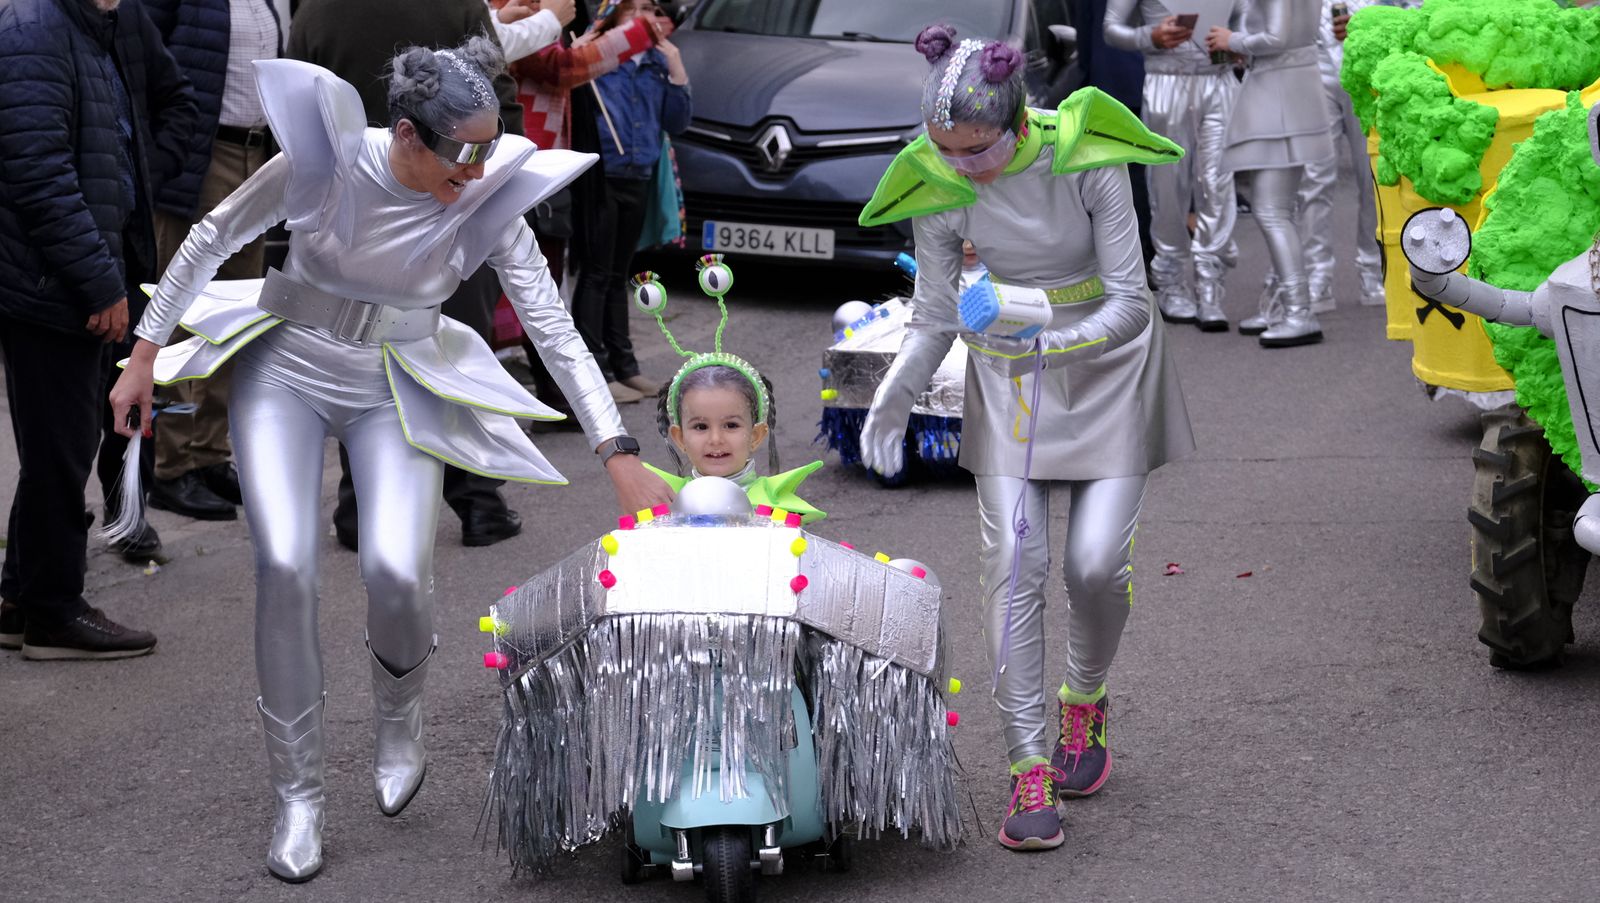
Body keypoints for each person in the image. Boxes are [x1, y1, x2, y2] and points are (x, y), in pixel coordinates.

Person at [108, 41, 671, 881]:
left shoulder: (483, 196)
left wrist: (616, 451)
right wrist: (146, 352)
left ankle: (399, 714)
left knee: (399, 571)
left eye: (490, 151)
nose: (479, 172)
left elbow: (553, 327)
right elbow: (214, 232)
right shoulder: (327, 163)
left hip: (399, 381)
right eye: (463, 155)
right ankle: (299, 796)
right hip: (287, 370)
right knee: (287, 564)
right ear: (406, 133)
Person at [856, 26, 1194, 851]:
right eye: (945, 150)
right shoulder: (936, 175)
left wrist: (1054, 342)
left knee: (1093, 567)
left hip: (1108, 364)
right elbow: (936, 316)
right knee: (1015, 564)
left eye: (975, 151)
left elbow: (1131, 300)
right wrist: (893, 398)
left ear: (1015, 123)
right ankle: (1027, 762)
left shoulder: (1084, 152)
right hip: (1009, 377)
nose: (959, 168)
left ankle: (1086, 699)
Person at [289, 0, 535, 550]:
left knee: (365, 354)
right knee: (453, 354)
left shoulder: (316, 13)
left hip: (359, 212)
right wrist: (498, 187)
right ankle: (478, 502)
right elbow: (497, 94)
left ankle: (360, 508)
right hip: (453, 200)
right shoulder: (460, 4)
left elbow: (302, 118)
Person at [0, 0, 197, 659]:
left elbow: (170, 107)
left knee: (62, 444)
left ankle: (19, 598)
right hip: (49, 281)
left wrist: (140, 184)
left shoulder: (110, 21)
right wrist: (99, 283)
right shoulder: (32, 28)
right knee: (61, 449)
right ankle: (54, 610)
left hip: (83, 265)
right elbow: (39, 175)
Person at [141, 0, 284, 523]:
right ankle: (171, 465)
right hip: (201, 159)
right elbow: (144, 69)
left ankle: (210, 453)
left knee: (233, 315)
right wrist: (165, 155)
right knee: (178, 313)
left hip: (256, 156)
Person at [500, 0, 668, 409]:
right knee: (532, 282)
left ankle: (560, 392)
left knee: (544, 279)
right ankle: (556, 395)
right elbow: (560, 68)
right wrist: (636, 34)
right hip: (529, 156)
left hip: (542, 158)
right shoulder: (517, 5)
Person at [629, 267, 825, 522]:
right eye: (700, 426)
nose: (716, 439)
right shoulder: (663, 504)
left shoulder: (777, 508)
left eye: (731, 425)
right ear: (679, 437)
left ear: (756, 435)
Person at [569, 0, 690, 404]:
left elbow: (677, 122)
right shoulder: (600, 56)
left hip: (638, 173)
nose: (646, 16)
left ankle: (625, 365)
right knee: (596, 271)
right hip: (603, 172)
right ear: (616, 15)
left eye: (649, 8)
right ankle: (597, 370)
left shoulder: (655, 62)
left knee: (620, 273)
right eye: (635, 7)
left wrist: (676, 68)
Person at [1105, 0, 1246, 332]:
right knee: (1167, 187)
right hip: (1165, 82)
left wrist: (1237, 44)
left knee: (1217, 183)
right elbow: (1111, 29)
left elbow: (1244, 20)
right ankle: (1170, 281)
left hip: (1220, 81)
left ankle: (1211, 286)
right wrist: (1150, 35)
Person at [1207, 0, 1337, 346]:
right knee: (1279, 208)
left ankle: (1298, 311)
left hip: (1280, 92)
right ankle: (1286, 306)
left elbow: (1277, 36)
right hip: (1290, 87)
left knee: (1271, 210)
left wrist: (1232, 40)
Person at [1299, 0, 1384, 312]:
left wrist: (1365, 22)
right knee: (1314, 178)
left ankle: (1373, 270)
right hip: (1314, 65)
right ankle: (1316, 275)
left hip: (1368, 70)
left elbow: (1414, 8)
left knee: (1372, 177)